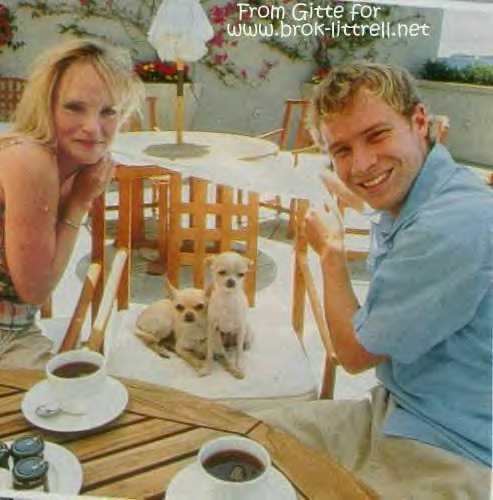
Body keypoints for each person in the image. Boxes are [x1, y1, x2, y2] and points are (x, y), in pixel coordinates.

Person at [254, 62, 492, 498]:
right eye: (342, 150)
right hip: (396, 413)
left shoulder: (450, 224)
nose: (361, 163)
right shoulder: (431, 193)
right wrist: (362, 192)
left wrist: (331, 253)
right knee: (247, 440)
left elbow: (353, 354)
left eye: (377, 135)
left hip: (452, 449)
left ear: (419, 122)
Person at [0, 38, 143, 369]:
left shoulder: (71, 164)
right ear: (46, 106)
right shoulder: (30, 160)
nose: (92, 128)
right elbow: (36, 291)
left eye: (108, 111)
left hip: (16, 327)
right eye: (74, 107)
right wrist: (80, 202)